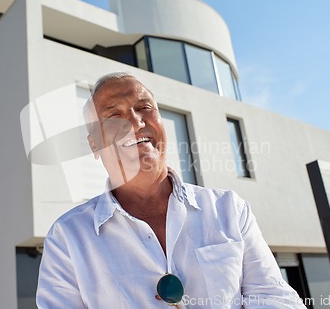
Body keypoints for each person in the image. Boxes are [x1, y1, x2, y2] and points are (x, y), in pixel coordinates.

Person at [36, 72, 306, 308]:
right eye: (114, 115)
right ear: (95, 145)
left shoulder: (229, 210)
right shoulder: (67, 238)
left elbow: (276, 300)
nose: (135, 122)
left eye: (144, 107)